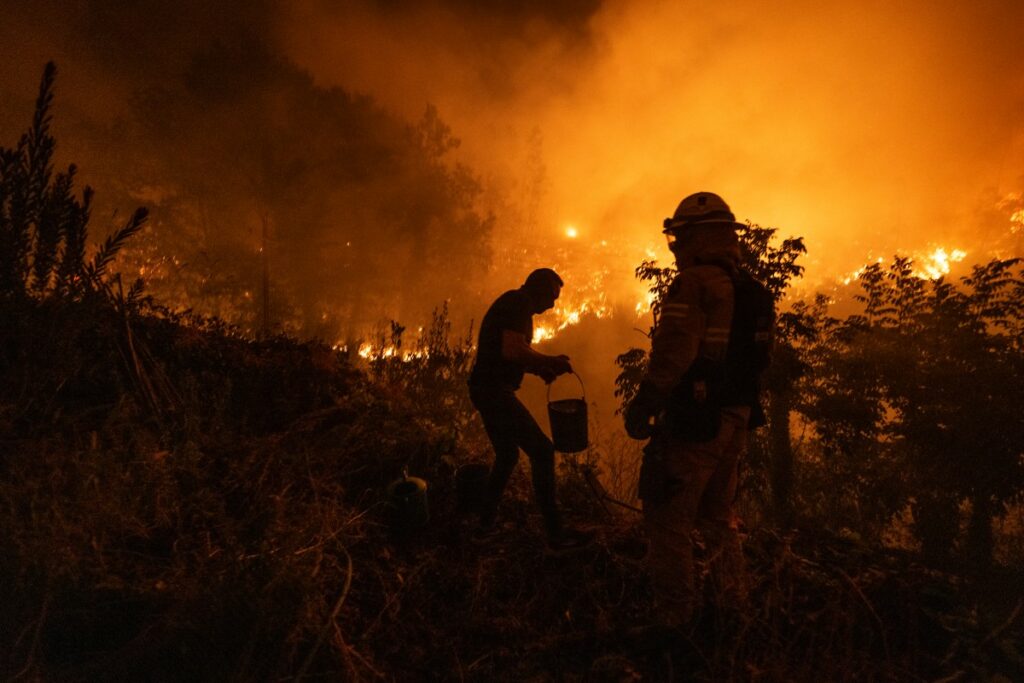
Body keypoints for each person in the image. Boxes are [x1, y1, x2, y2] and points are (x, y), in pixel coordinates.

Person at [624, 192, 773, 629]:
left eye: (680, 237)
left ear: (698, 237)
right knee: (717, 516)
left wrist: (645, 403)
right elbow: (761, 362)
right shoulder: (754, 293)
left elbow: (674, 353)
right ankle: (734, 608)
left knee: (668, 518)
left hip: (696, 422)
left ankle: (673, 621)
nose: (675, 248)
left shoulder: (694, 285)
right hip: (737, 419)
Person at [468, 268, 594, 551]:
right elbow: (512, 350)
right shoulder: (517, 304)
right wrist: (550, 361)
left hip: (486, 389)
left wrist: (541, 369)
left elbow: (509, 351)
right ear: (536, 289)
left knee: (508, 455)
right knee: (542, 451)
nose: (552, 304)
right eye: (551, 296)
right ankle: (556, 533)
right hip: (493, 392)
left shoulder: (516, 305)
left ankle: (483, 527)